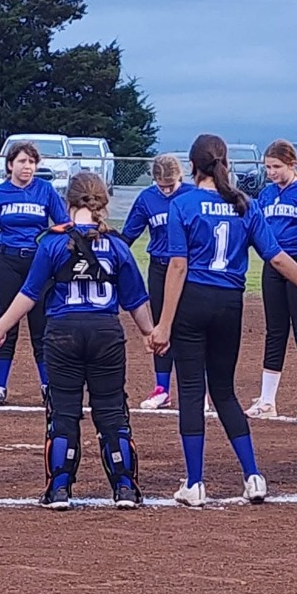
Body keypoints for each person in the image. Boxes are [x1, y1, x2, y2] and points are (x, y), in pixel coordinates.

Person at [149, 134, 297, 507]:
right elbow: (277, 258)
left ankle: (196, 483)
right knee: (225, 390)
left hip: (193, 302)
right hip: (229, 304)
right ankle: (253, 476)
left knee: (191, 392)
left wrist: (164, 323)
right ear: (225, 163)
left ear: (193, 167)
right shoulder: (244, 204)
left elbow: (178, 267)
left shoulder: (183, 204)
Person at [0, 172, 154, 510]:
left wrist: (1, 326)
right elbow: (136, 299)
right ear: (103, 202)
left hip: (62, 332)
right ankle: (124, 487)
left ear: (68, 202)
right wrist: (152, 334)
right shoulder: (117, 245)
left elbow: (30, 293)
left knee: (62, 413)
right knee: (111, 412)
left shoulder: (52, 242)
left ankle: (59, 488)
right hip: (105, 331)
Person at [0, 141, 70, 406]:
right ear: (10, 164)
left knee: (41, 327)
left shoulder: (46, 190)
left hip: (38, 265)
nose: (27, 167)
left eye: (32, 162)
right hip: (8, 263)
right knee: (6, 324)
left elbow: (63, 227)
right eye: (22, 161)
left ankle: (47, 385)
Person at [246, 140, 297, 421]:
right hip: (274, 267)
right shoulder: (266, 195)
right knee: (275, 331)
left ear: (292, 164)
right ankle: (267, 400)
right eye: (268, 167)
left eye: (277, 166)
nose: (271, 172)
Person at [121, 154, 192, 410]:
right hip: (160, 268)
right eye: (160, 185)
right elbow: (129, 234)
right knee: (161, 327)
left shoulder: (191, 196)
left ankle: (197, 389)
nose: (165, 189)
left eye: (170, 185)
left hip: (188, 269)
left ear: (180, 177)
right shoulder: (147, 199)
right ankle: (162, 388)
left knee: (190, 327)